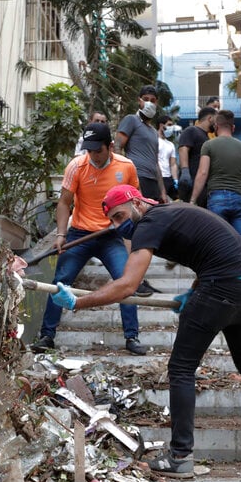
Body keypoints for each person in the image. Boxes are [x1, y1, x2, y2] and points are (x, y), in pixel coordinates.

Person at [48, 184, 241, 477]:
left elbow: (128, 285)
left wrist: (78, 302)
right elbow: (212, 249)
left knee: (181, 368)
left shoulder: (148, 223)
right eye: (113, 222)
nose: (118, 226)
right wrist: (194, 290)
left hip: (220, 287)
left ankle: (180, 456)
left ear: (136, 202)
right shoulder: (169, 213)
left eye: (120, 216)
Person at [31, 123, 148, 356]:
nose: (93, 155)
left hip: (111, 235)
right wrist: (61, 234)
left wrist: (132, 234)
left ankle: (132, 336)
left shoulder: (126, 167)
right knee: (61, 280)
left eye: (98, 150)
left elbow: (136, 200)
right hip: (80, 234)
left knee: (126, 281)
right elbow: (64, 202)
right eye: (89, 150)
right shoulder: (77, 166)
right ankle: (47, 335)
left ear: (110, 147)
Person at [190, 109, 241, 243]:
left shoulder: (208, 145)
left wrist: (193, 200)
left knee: (218, 242)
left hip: (217, 198)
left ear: (216, 126)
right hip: (239, 199)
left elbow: (202, 173)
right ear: (233, 127)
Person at [116, 85, 167, 202]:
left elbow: (156, 162)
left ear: (156, 103)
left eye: (152, 100)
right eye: (146, 99)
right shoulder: (131, 120)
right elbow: (117, 148)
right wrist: (124, 178)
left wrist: (163, 192)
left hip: (153, 182)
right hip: (137, 178)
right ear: (139, 101)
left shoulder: (154, 132)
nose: (149, 103)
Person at [177, 106, 216, 206]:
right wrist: (185, 171)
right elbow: (183, 149)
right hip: (192, 184)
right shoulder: (191, 130)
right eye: (216, 119)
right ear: (210, 118)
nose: (216, 124)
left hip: (203, 186)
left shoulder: (207, 137)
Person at [157, 116, 179, 198]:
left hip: (168, 178)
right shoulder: (153, 140)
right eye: (169, 125)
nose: (171, 128)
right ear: (161, 126)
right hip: (158, 178)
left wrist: (175, 180)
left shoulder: (171, 145)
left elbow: (173, 164)